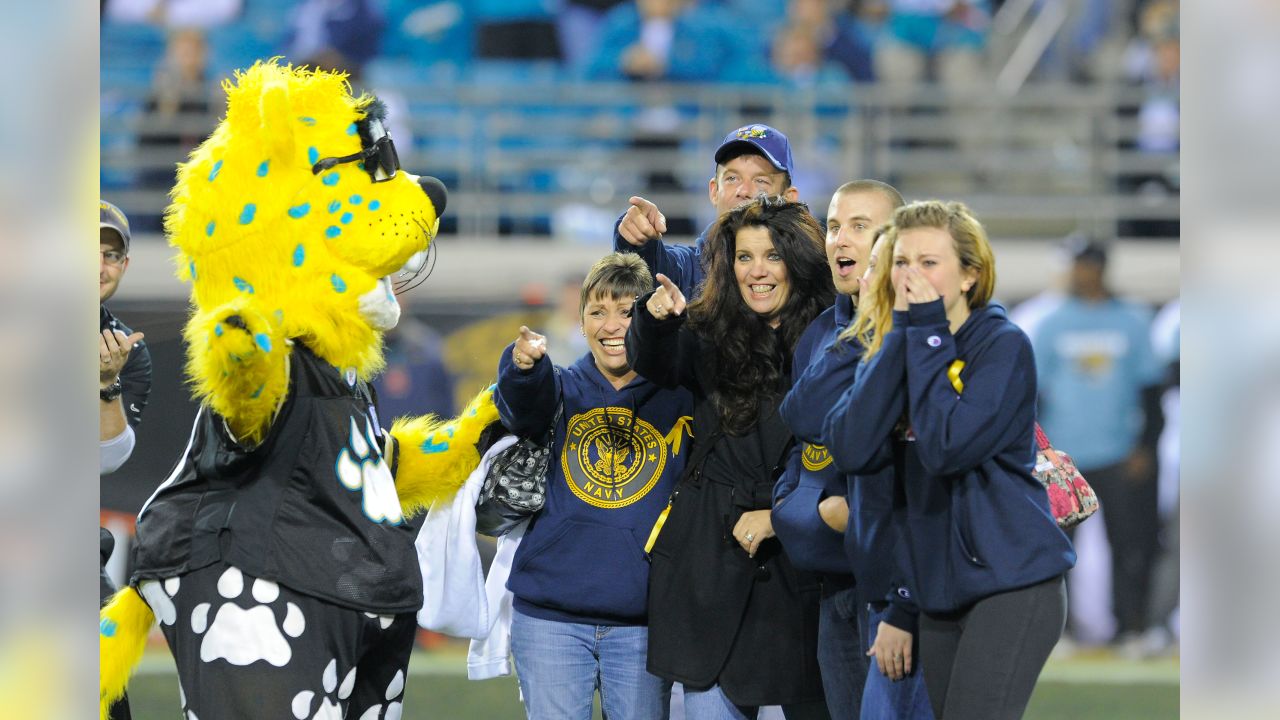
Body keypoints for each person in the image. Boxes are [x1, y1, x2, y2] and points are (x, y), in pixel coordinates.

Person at [826, 200, 1075, 719]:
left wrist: (928, 333)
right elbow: (850, 446)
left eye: (929, 262)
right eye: (901, 261)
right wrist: (900, 337)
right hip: (936, 592)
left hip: (1010, 582)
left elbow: (945, 447)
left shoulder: (1003, 347)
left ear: (970, 276)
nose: (910, 275)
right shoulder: (902, 343)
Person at [627, 196, 835, 719]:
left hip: (802, 580)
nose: (757, 272)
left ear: (800, 261)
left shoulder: (835, 341)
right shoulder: (707, 330)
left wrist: (782, 518)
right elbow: (655, 360)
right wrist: (654, 321)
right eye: (744, 257)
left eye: (772, 256)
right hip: (710, 571)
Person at [495, 252, 693, 720]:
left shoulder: (682, 396)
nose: (612, 326)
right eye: (598, 312)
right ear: (580, 322)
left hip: (645, 623)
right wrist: (522, 366)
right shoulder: (560, 387)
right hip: (551, 620)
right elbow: (524, 404)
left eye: (628, 312)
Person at [777, 180, 933, 720]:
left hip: (905, 586)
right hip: (834, 582)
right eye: (835, 225)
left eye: (860, 227)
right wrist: (801, 513)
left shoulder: (932, 328)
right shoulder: (822, 331)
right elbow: (802, 436)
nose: (840, 239)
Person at [1029, 237, 1165, 654]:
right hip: (1064, 459)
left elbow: (1151, 392)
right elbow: (1032, 396)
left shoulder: (1133, 319)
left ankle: (1132, 629)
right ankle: (1061, 632)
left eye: (1087, 265)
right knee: (1056, 551)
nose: (1081, 273)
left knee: (1131, 545)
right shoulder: (1046, 320)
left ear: (1101, 267)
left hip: (1119, 453)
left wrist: (1145, 446)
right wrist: (1040, 453)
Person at [613, 123, 800, 299]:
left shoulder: (810, 276)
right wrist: (638, 242)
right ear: (714, 191)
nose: (743, 191)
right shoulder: (687, 271)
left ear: (789, 199)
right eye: (732, 178)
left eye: (760, 181)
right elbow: (651, 273)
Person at [99, 199, 151, 720]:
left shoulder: (128, 351)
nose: (97, 265)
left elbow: (109, 459)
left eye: (110, 254)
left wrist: (105, 385)